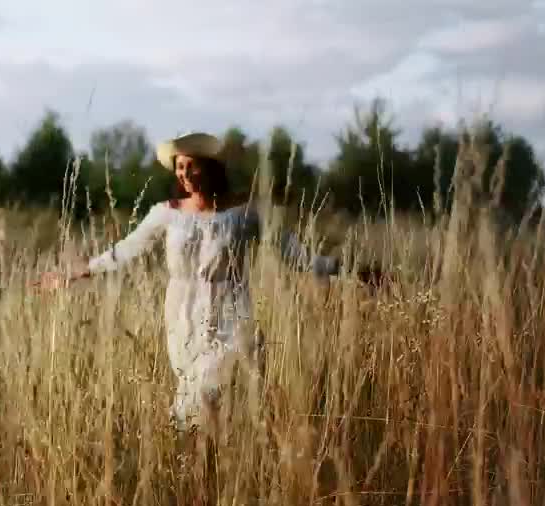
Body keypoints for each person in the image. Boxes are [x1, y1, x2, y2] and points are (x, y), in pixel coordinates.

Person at [32, 131, 383, 432]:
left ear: (211, 169)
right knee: (195, 396)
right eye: (179, 167)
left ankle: (218, 459)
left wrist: (350, 269)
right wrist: (76, 273)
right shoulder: (165, 213)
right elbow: (127, 249)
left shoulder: (247, 213)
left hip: (230, 313)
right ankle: (204, 471)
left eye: (191, 165)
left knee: (210, 388)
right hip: (181, 316)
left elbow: (298, 257)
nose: (183, 173)